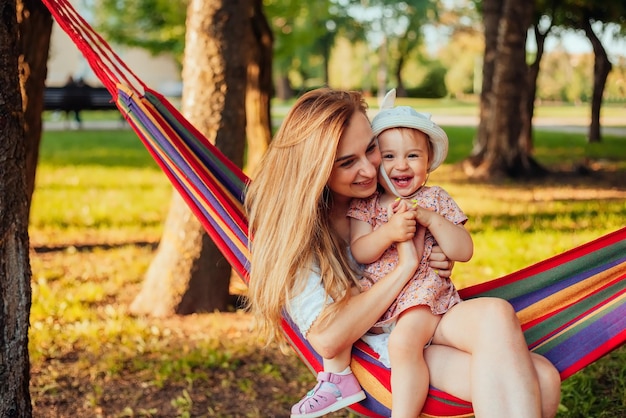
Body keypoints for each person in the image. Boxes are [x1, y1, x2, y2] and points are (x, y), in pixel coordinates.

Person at [244, 87, 561, 418]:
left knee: (523, 346)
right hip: (384, 350)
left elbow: (447, 239)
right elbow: (327, 338)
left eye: (371, 149)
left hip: (429, 316)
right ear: (316, 169)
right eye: (348, 162)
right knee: (540, 378)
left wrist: (436, 252)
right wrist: (405, 267)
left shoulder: (389, 194)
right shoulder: (297, 233)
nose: (369, 170)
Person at [340, 88, 472, 416]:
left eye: (413, 156)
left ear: (429, 161)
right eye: (389, 156)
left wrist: (431, 220)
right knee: (405, 345)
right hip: (382, 302)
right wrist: (387, 232)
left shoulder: (435, 199)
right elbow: (361, 251)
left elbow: (464, 249)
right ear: (376, 160)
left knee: (403, 343)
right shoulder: (366, 204)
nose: (401, 165)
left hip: (423, 295)